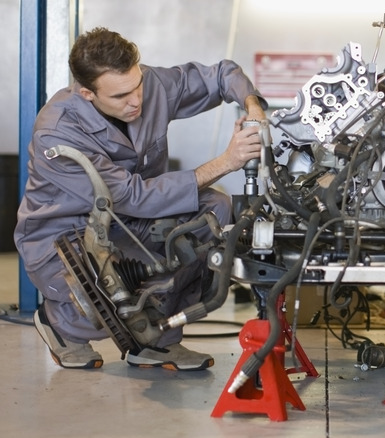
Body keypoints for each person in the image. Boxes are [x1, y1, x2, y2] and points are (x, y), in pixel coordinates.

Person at [15, 27, 269, 370]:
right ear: (88, 93)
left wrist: (252, 104)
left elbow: (221, 75)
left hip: (133, 221)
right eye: (121, 96)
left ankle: (157, 340)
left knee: (214, 209)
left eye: (138, 85)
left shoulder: (148, 85)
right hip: (68, 236)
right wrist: (227, 162)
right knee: (104, 303)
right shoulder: (58, 130)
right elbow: (130, 196)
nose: (136, 100)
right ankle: (59, 323)